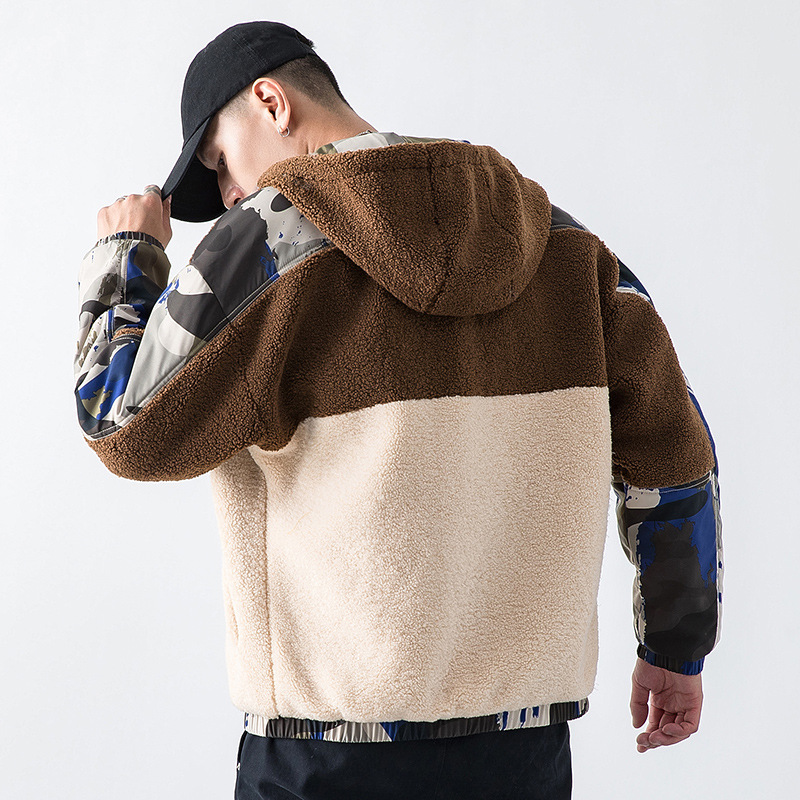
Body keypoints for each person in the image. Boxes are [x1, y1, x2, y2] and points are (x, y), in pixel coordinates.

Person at [74, 20, 724, 800]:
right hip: (523, 756)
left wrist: (125, 258)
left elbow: (124, 425)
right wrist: (675, 648)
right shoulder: (567, 249)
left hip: (326, 759)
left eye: (219, 162)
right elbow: (676, 456)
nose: (229, 197)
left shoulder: (269, 241)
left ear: (271, 102)